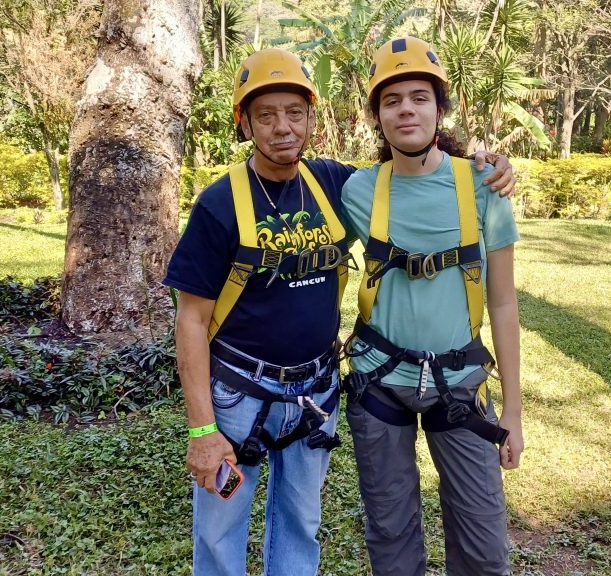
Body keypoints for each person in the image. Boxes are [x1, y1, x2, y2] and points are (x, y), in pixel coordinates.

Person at [163, 48, 515, 576]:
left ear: (311, 118)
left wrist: (489, 165)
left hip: (315, 391)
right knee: (219, 531)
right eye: (266, 115)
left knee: (301, 524)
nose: (283, 128)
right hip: (239, 392)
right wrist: (201, 430)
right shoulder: (224, 203)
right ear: (244, 123)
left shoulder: (334, 185)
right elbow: (189, 319)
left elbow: (418, 177)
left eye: (295, 113)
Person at [340, 36, 525, 576]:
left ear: (440, 108)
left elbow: (506, 304)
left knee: (484, 543)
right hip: (379, 383)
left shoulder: (483, 186)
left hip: (460, 381)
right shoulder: (358, 190)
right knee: (391, 535)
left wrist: (512, 412)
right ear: (377, 115)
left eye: (419, 97)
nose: (406, 110)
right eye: (391, 100)